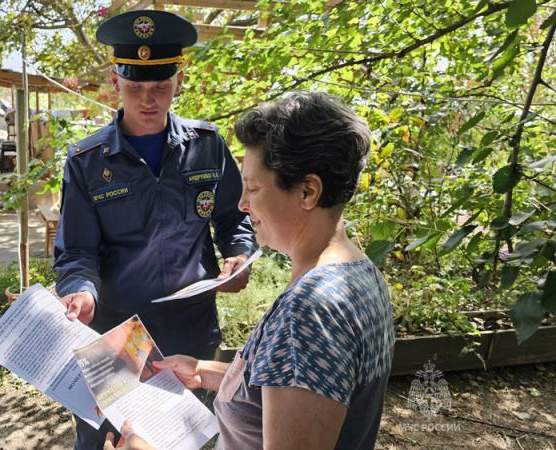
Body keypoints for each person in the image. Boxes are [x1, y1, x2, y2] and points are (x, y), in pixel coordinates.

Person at [104, 92, 396, 450]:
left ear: (308, 191)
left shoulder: (307, 312)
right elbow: (299, 387)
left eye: (254, 189)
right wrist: (203, 371)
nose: (242, 204)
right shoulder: (360, 272)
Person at [53, 9, 259, 450]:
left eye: (160, 87)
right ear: (115, 83)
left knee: (188, 436)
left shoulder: (207, 147)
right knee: (108, 439)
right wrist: (81, 289)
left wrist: (238, 253)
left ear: (178, 82)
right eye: (135, 87)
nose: (148, 100)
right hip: (116, 334)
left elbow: (234, 217)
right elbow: (76, 252)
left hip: (191, 330)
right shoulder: (87, 162)